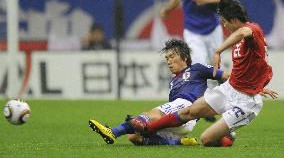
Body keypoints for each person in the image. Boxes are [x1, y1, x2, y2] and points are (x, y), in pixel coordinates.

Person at [129, 0, 278, 147]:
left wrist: (218, 50)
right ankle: (148, 129)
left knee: (206, 139)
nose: (224, 26)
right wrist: (257, 85)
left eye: (225, 22)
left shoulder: (253, 29)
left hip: (245, 102)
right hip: (230, 89)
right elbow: (250, 67)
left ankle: (226, 136)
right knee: (189, 112)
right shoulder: (241, 38)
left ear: (233, 20)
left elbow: (243, 32)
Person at [88, 38, 231, 146]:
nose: (169, 61)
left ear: (185, 57)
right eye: (167, 58)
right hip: (182, 122)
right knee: (134, 137)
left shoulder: (197, 68)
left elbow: (225, 76)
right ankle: (179, 142)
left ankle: (112, 132)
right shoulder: (173, 82)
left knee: (149, 116)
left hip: (187, 107)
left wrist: (234, 88)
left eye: (172, 56)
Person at [160, 0, 227, 65]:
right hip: (192, 30)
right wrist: (167, 10)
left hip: (212, 28)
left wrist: (207, 0)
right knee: (198, 64)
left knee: (218, 66)